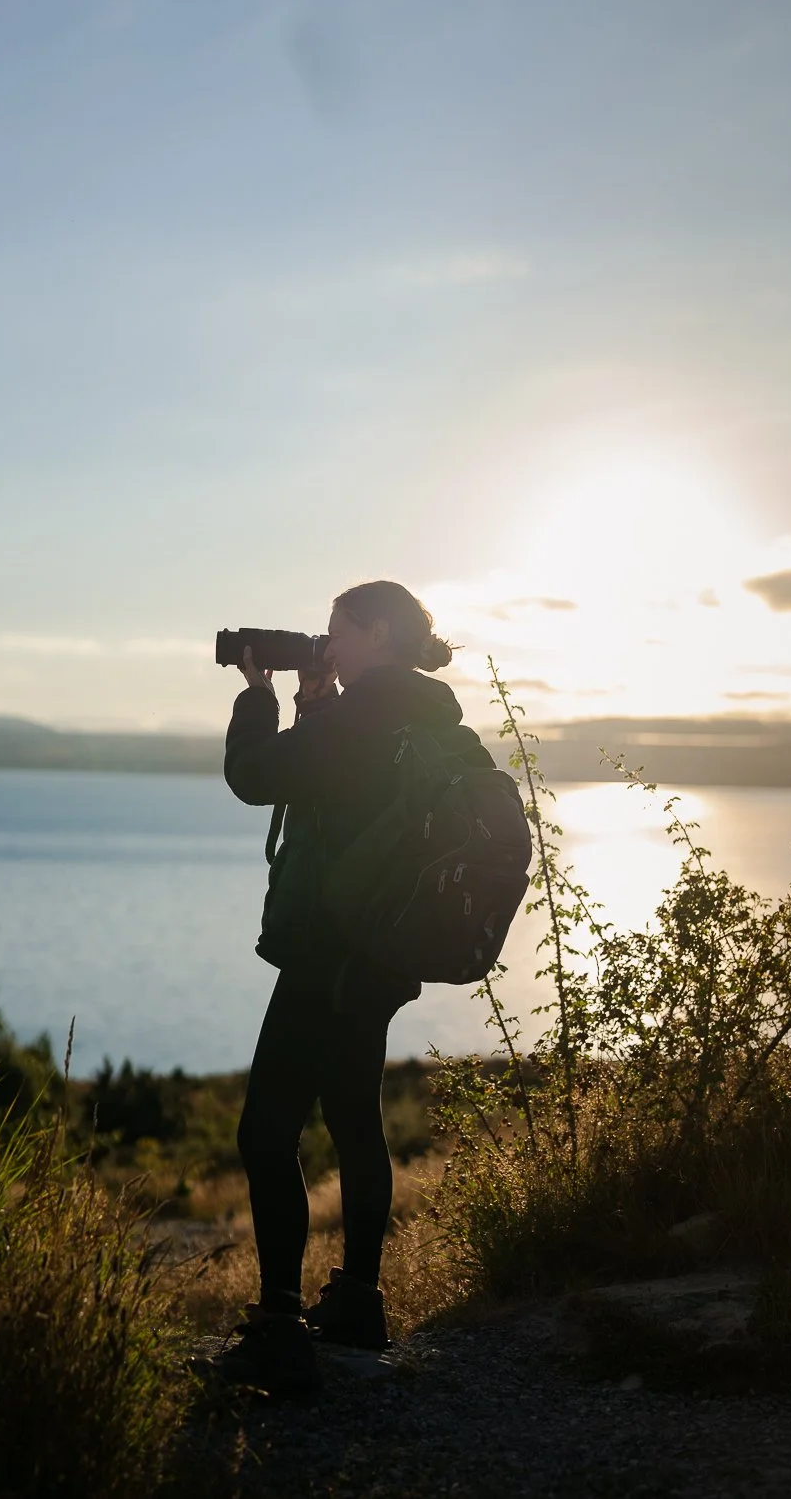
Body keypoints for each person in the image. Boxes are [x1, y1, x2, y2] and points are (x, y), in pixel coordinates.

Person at [215, 579, 498, 1393]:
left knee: (265, 1131)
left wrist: (258, 698)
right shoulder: (422, 717)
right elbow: (333, 789)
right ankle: (358, 1303)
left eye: (336, 631)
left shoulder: (368, 715)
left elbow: (256, 777)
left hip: (325, 953)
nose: (326, 643)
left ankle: (278, 1324)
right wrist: (316, 704)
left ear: (374, 632)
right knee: (351, 1116)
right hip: (380, 953)